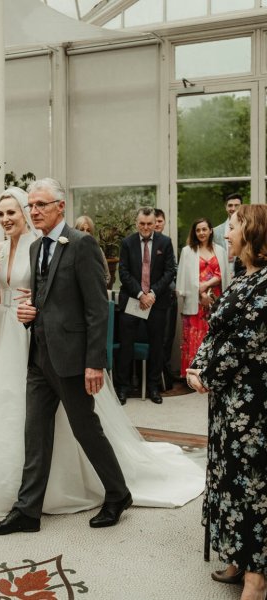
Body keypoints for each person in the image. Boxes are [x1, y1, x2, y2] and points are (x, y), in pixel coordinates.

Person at [0, 185, 205, 521]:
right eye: (32, 205)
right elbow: (43, 300)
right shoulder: (37, 246)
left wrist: (95, 363)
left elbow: (97, 309)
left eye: (40, 204)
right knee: (35, 433)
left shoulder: (81, 243)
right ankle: (27, 511)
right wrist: (31, 314)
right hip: (38, 354)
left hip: (71, 356)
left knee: (86, 428)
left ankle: (118, 494)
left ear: (60, 206)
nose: (35, 210)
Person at [186, 204, 267, 600]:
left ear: (252, 234)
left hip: (253, 404)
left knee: (251, 482)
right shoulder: (239, 276)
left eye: (232, 227)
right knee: (228, 475)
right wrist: (195, 365)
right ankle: (236, 553)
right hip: (226, 401)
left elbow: (244, 343)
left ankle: (257, 575)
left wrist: (208, 373)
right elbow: (217, 329)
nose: (225, 235)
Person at [116, 207, 176, 405]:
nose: (146, 227)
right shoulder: (127, 243)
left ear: (154, 223)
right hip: (132, 300)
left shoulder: (165, 243)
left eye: (149, 224)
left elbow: (169, 272)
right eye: (142, 223)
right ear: (136, 223)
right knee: (126, 345)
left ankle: (153, 387)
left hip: (157, 303)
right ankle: (123, 387)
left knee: (157, 346)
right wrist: (141, 294)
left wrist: (152, 294)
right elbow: (123, 272)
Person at [176, 218, 229, 378]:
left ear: (211, 230)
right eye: (198, 230)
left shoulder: (220, 250)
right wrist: (202, 293)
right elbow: (185, 277)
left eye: (204, 229)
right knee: (195, 337)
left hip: (216, 301)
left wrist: (208, 284)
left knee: (214, 335)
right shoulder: (187, 251)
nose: (201, 233)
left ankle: (212, 375)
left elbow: (224, 274)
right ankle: (194, 375)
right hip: (195, 301)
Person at [154, 208, 177, 389]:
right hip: (146, 299)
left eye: (160, 221)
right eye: (154, 221)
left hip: (166, 297)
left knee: (166, 339)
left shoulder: (167, 243)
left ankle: (165, 377)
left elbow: (171, 271)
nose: (156, 224)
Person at [74, 215, 111, 286]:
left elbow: (107, 276)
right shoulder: (71, 249)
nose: (85, 233)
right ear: (76, 231)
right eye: (82, 229)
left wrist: (97, 289)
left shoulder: (98, 250)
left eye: (88, 230)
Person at [213, 193, 242, 274]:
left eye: (237, 205)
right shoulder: (215, 231)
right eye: (230, 205)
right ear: (225, 207)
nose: (233, 208)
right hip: (221, 275)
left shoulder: (247, 229)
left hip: (242, 273)